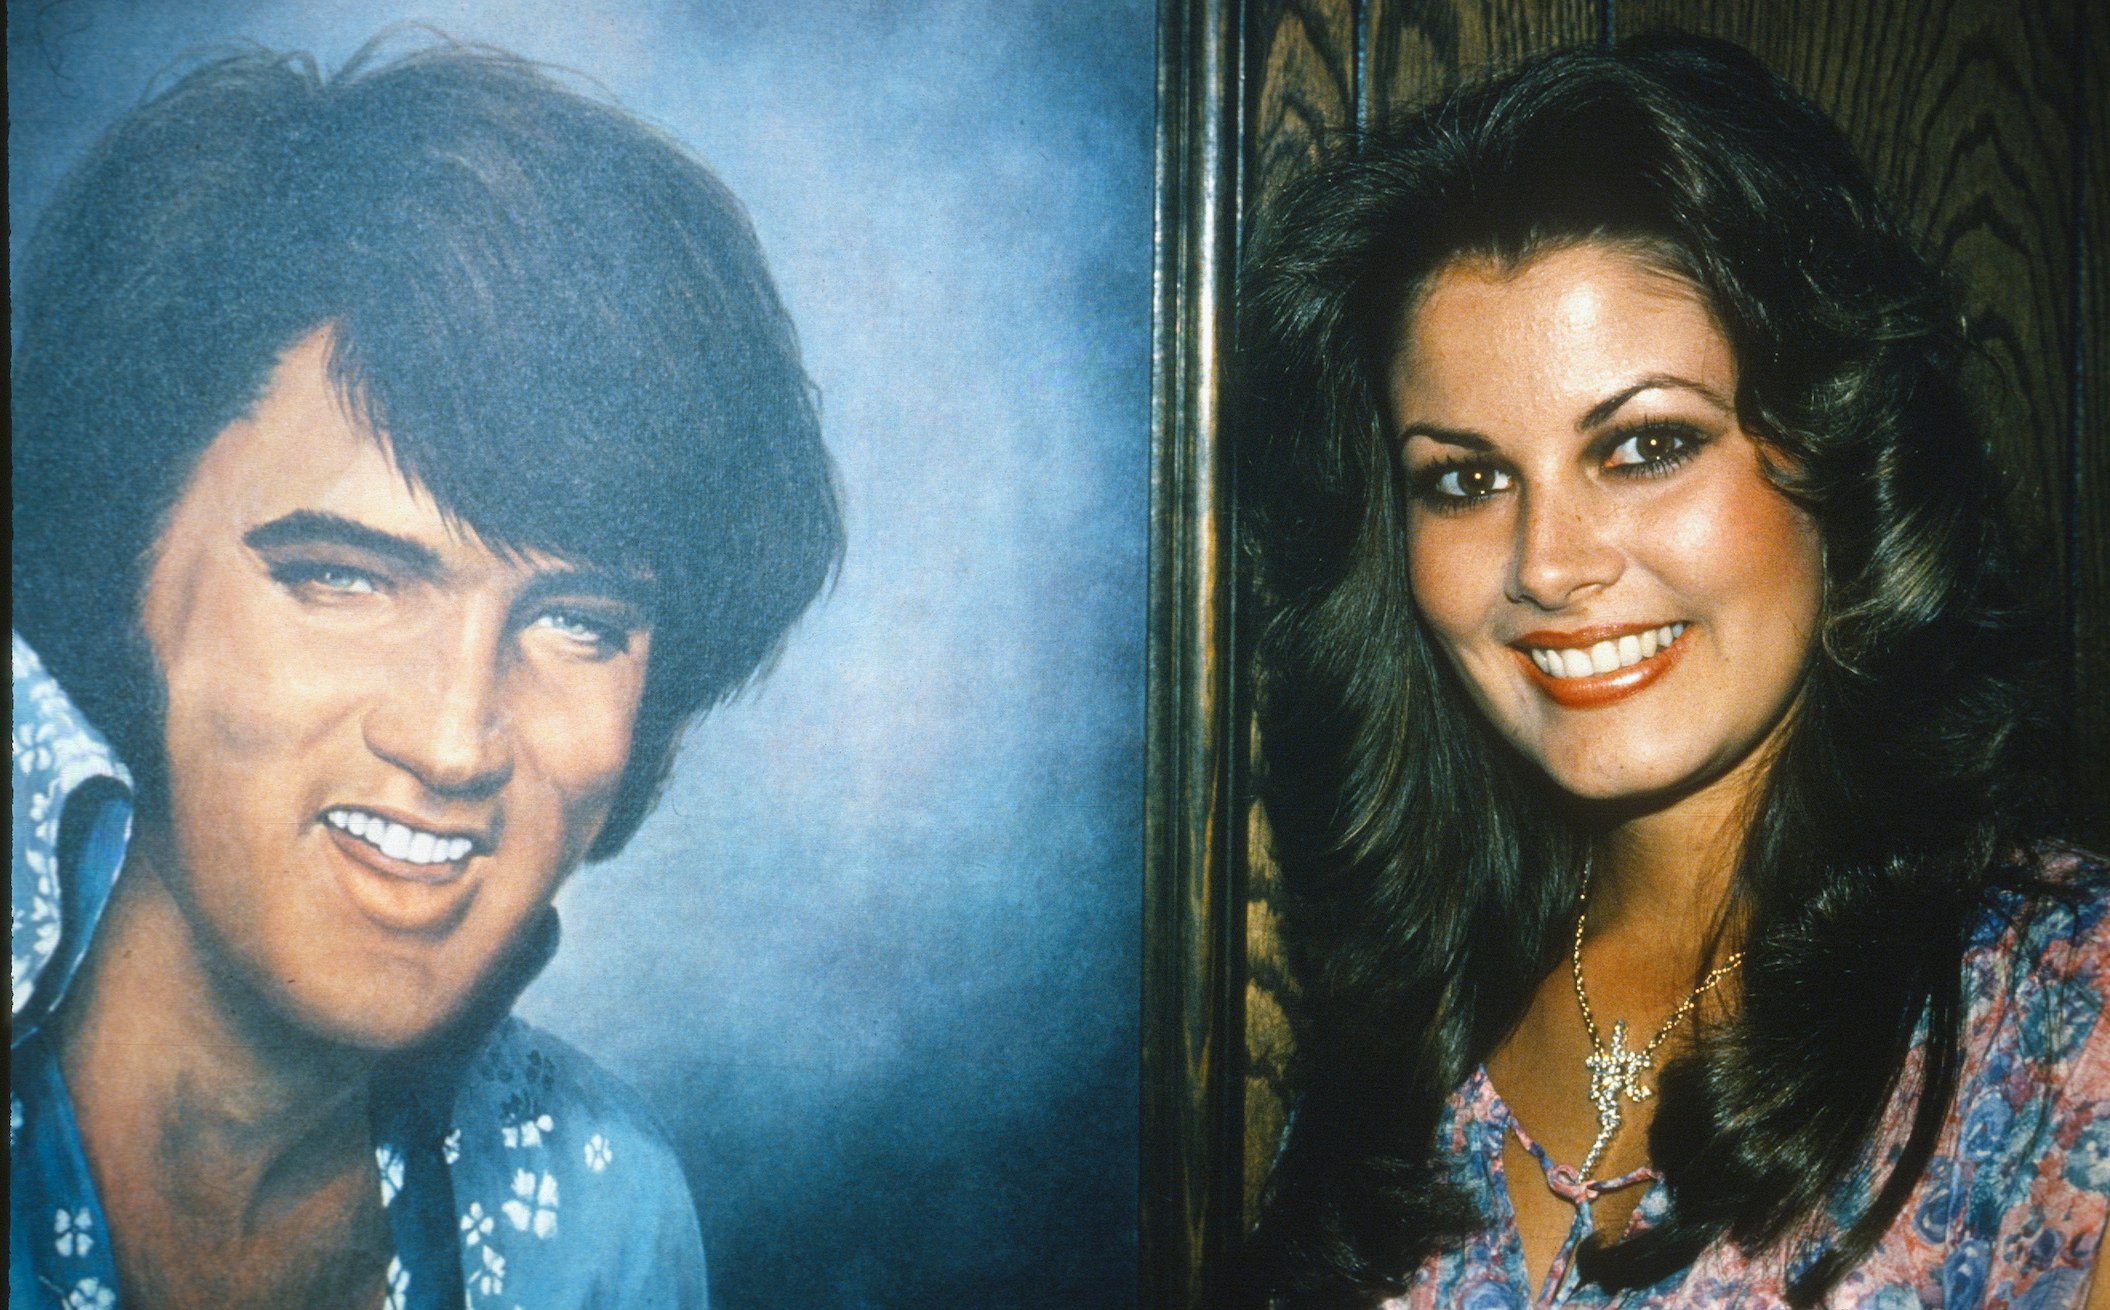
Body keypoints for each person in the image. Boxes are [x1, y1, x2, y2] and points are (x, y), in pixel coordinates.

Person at [1234, 32, 2109, 1310]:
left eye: (1644, 444)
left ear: (1841, 454)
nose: (1548, 562)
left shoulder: (2065, 1026)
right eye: (1466, 479)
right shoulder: (1411, 1012)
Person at [10, 37, 841, 1310]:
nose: (455, 741)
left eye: (576, 620)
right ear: (119, 583)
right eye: (342, 577)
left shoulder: (607, 1211)